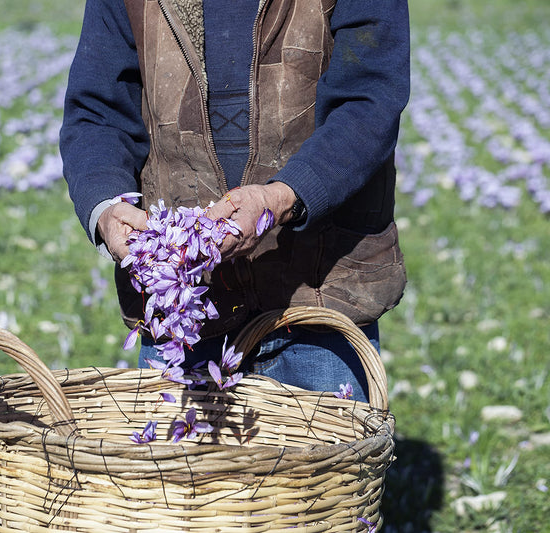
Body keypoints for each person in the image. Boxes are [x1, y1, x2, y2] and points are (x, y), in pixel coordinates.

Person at [60, 0, 410, 403]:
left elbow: (368, 99)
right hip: (185, 299)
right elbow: (97, 112)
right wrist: (105, 207)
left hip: (320, 289)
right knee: (183, 466)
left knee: (321, 463)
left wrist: (283, 197)